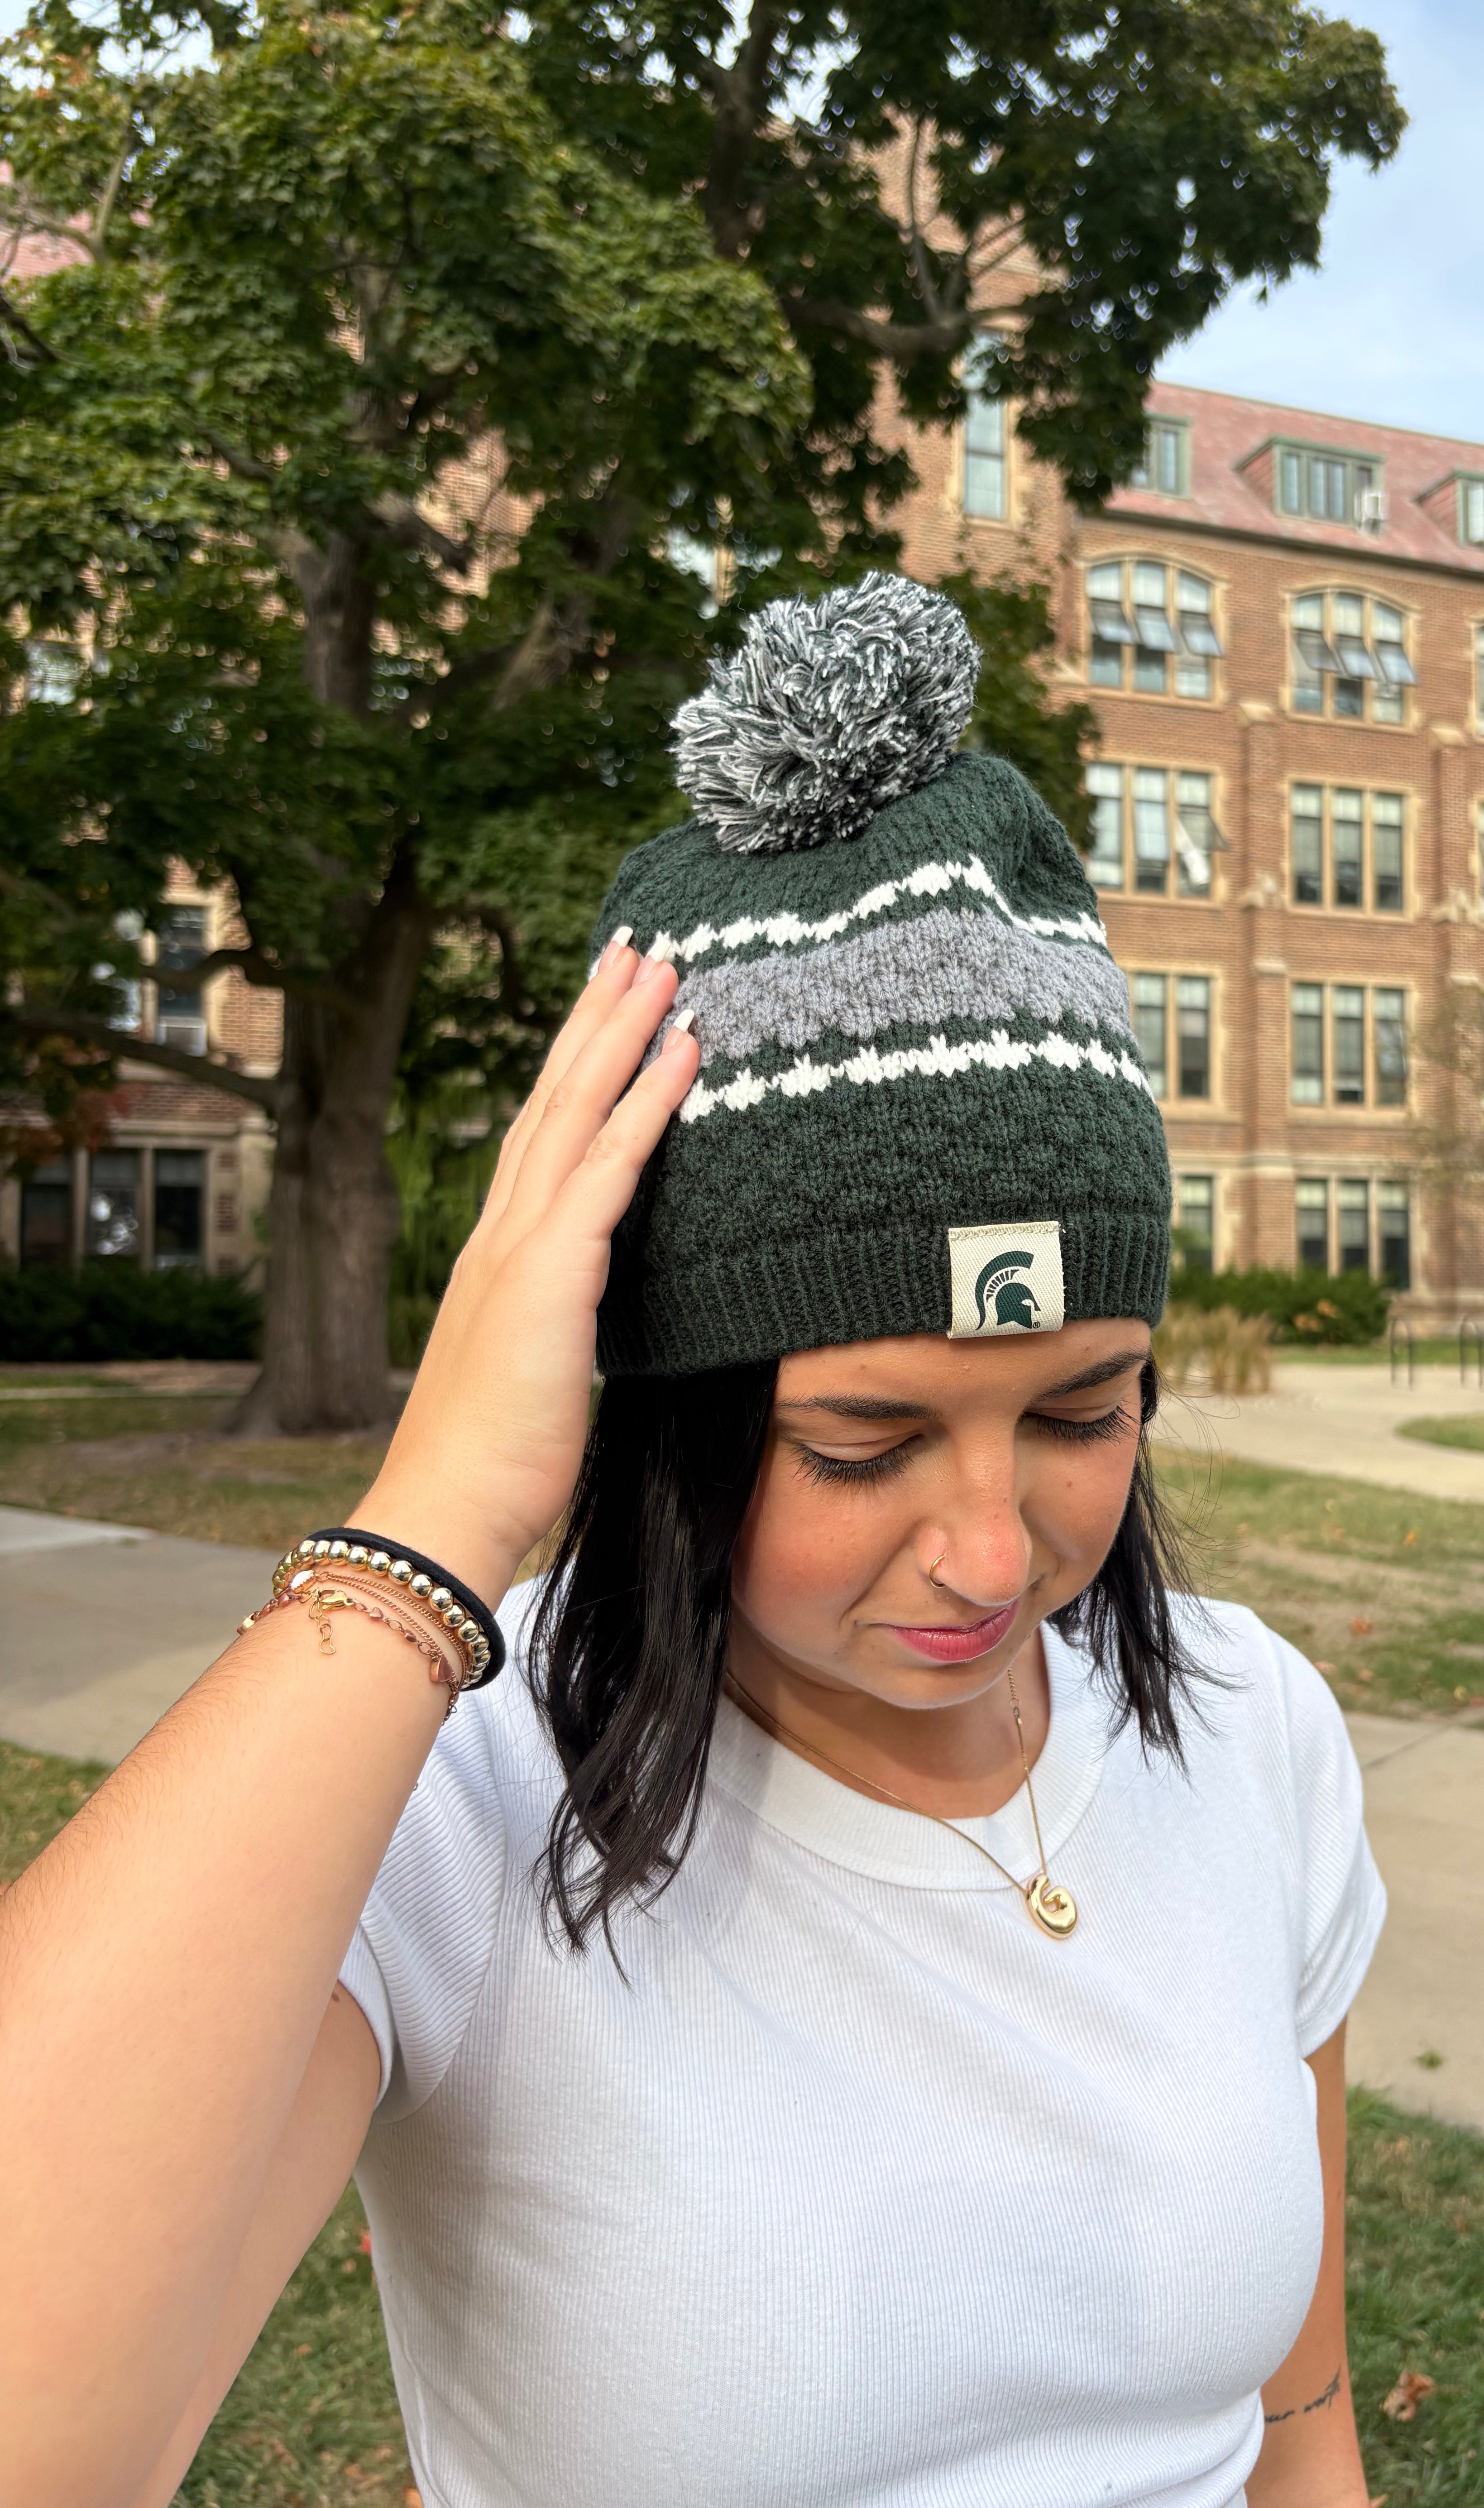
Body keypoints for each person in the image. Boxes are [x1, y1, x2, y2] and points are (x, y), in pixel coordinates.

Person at [0, 575, 1385, 2508]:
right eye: (860, 1445)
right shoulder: (455, 1808)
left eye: (1083, 1412)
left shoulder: (1249, 1727)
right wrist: (435, 1516)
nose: (994, 1556)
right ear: (668, 1425)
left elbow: (1297, 2431)